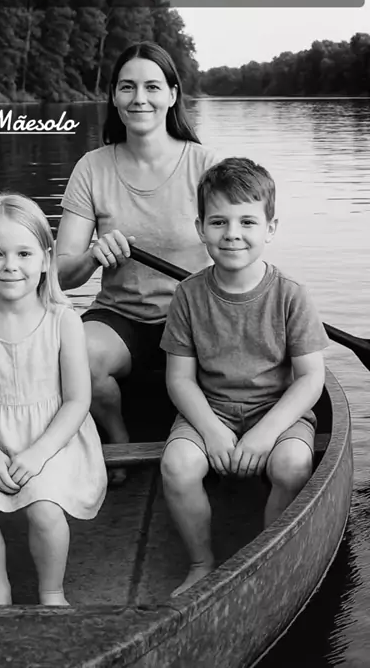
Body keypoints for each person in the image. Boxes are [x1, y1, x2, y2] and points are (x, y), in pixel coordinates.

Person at [160, 157, 329, 597]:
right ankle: (202, 563)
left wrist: (265, 434)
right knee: (177, 465)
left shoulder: (291, 295)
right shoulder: (188, 295)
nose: (232, 233)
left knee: (293, 464)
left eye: (247, 222)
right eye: (218, 222)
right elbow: (180, 379)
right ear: (200, 229)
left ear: (270, 228)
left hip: (276, 411)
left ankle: (264, 561)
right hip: (211, 409)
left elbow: (310, 378)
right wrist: (212, 431)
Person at [57, 41, 215, 482]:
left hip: (194, 317)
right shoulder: (92, 167)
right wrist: (93, 256)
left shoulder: (204, 165)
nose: (139, 98)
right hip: (120, 318)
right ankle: (118, 438)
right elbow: (61, 275)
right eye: (127, 87)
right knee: (75, 352)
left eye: (152, 87)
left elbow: (239, 251)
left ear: (172, 94)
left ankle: (206, 438)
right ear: (113, 96)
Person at [0, 192, 107, 606]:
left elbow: (77, 401)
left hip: (55, 438)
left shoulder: (63, 321)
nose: (10, 265)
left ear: (46, 260)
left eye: (24, 253)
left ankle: (52, 591)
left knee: (44, 506)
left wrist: (38, 454)